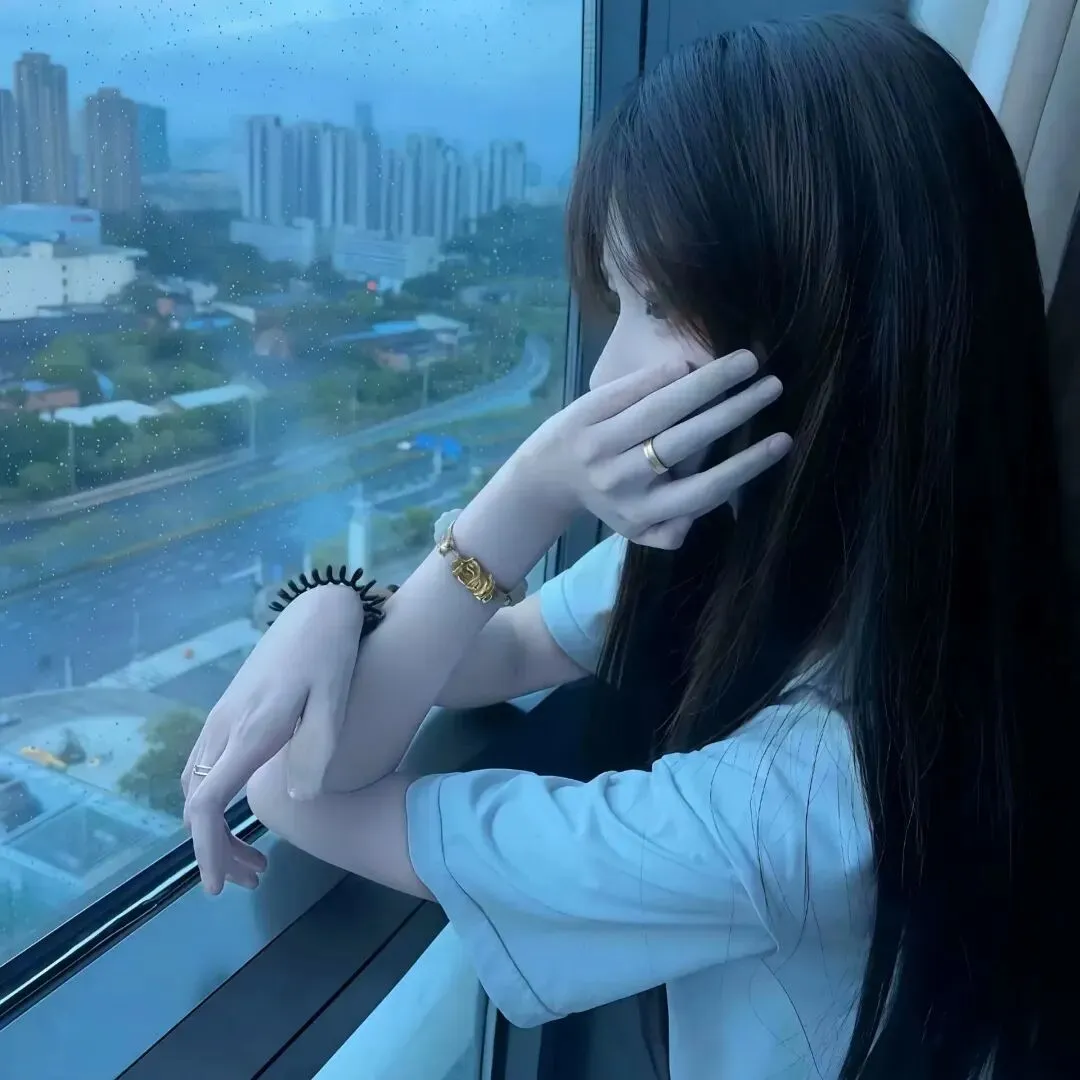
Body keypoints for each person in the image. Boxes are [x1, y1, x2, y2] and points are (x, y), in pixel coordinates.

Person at [181, 13, 1077, 1080]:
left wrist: (531, 487)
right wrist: (327, 605)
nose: (605, 376)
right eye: (619, 300)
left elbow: (303, 787)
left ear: (846, 334)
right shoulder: (804, 567)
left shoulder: (804, 804)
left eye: (658, 303)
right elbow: (498, 651)